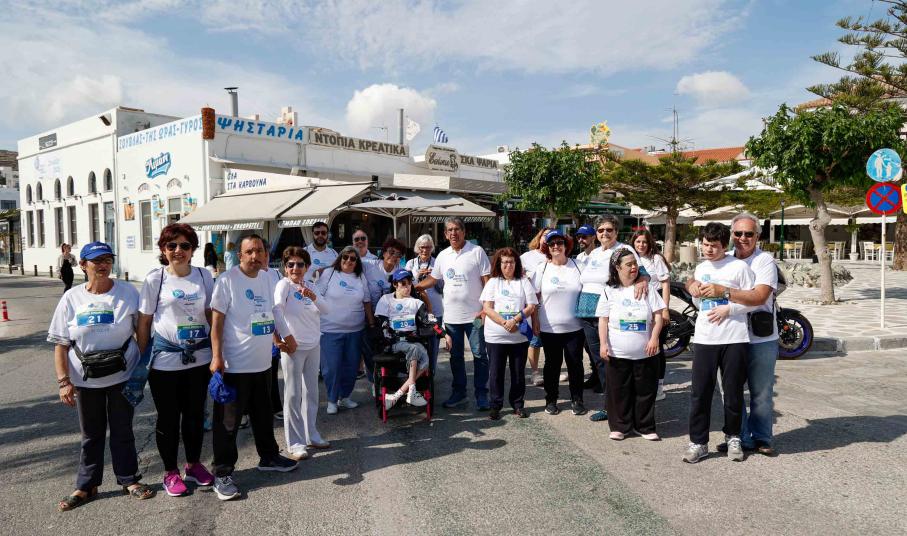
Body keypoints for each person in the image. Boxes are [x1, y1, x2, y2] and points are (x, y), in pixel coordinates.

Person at [48, 241, 154, 511]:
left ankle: (129, 480)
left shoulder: (128, 292)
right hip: (85, 379)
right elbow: (60, 344)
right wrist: (63, 381)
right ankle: (86, 485)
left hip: (123, 376)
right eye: (97, 261)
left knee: (122, 430)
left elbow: (142, 329)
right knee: (91, 434)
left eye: (107, 259)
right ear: (83, 265)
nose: (103, 265)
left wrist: (139, 364)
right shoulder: (71, 298)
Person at [209, 234, 299, 501]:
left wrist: (285, 336)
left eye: (259, 251)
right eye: (249, 251)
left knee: (263, 415)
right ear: (240, 255)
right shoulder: (227, 280)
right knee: (227, 424)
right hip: (234, 366)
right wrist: (216, 357)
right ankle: (222, 474)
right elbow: (217, 322)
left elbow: (275, 312)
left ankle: (268, 456)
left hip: (262, 364)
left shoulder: (269, 277)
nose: (255, 256)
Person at [136, 223, 215, 497]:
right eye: (172, 245)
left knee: (195, 416)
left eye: (185, 245)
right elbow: (144, 321)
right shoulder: (155, 279)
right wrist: (140, 360)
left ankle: (193, 465)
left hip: (200, 358)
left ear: (193, 249)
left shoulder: (204, 276)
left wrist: (219, 352)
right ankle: (170, 472)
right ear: (163, 249)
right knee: (168, 418)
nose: (178, 250)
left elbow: (211, 315)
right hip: (165, 362)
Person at [699, 212, 779, 457]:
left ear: (758, 236)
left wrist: (724, 292)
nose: (743, 238)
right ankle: (739, 436)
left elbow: (760, 296)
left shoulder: (764, 260)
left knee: (761, 391)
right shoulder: (723, 256)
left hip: (759, 337)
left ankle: (762, 437)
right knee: (730, 391)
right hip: (730, 335)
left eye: (749, 233)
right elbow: (698, 279)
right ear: (731, 235)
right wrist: (693, 286)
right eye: (738, 233)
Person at [682, 223, 755, 464]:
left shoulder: (739, 267)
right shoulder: (701, 268)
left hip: (734, 338)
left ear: (725, 245)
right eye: (705, 245)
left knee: (733, 392)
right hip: (705, 338)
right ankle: (698, 442)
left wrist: (729, 309)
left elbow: (754, 301)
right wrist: (694, 291)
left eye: (714, 245)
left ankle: (733, 437)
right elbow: (699, 302)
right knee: (700, 392)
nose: (708, 250)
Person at [577, 215, 650, 422]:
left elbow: (642, 273)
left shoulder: (624, 250)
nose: (605, 233)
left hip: (610, 312)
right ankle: (610, 405)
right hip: (587, 313)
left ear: (616, 231)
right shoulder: (594, 253)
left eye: (609, 229)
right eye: (601, 230)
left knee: (614, 362)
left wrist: (642, 281)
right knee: (600, 362)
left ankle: (622, 407)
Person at [416, 217, 492, 410]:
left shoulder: (477, 251)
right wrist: (415, 287)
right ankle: (459, 393)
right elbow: (434, 279)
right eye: (449, 230)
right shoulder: (443, 255)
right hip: (451, 318)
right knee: (456, 357)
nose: (453, 233)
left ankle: (482, 395)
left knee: (479, 355)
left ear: (464, 231)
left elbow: (487, 282)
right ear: (445, 234)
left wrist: (486, 309)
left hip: (475, 316)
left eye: (457, 229)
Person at [596, 248, 666, 441]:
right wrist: (603, 344)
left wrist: (654, 338)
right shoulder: (609, 291)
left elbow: (658, 316)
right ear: (617, 268)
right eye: (629, 264)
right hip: (617, 352)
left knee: (645, 391)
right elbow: (603, 320)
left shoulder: (647, 288)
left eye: (635, 263)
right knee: (618, 391)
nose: (634, 267)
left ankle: (645, 427)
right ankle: (620, 426)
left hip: (646, 352)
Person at [273, 247, 331, 460]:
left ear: (307, 267)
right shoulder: (283, 285)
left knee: (311, 393)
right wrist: (287, 338)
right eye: (291, 264)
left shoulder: (311, 285)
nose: (295, 268)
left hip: (313, 344)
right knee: (293, 394)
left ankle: (311, 435)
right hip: (294, 348)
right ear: (285, 267)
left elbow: (326, 310)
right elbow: (276, 310)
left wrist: (313, 296)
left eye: (300, 264)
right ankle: (295, 443)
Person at [531, 230, 587, 416]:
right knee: (552, 366)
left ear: (566, 245)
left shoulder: (578, 265)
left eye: (559, 242)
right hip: (549, 327)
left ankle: (577, 400)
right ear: (547, 247)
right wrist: (535, 321)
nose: (556, 246)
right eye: (552, 243)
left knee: (575, 364)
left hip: (575, 327)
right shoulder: (542, 268)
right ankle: (551, 400)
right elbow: (534, 298)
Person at [481, 247, 538, 420]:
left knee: (518, 373)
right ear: (499, 264)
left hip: (519, 336)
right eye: (504, 262)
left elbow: (531, 306)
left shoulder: (523, 281)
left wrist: (515, 320)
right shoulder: (493, 282)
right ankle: (495, 405)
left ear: (516, 263)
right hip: (495, 337)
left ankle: (518, 405)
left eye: (511, 262)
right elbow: (487, 308)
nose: (508, 266)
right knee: (496, 373)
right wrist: (504, 323)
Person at [317, 246, 375, 414]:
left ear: (357, 262)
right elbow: (317, 297)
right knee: (331, 368)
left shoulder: (360, 276)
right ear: (340, 258)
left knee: (351, 367)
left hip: (355, 331)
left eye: (353, 258)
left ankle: (345, 396)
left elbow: (366, 301)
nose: (348, 260)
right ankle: (332, 399)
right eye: (345, 257)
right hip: (329, 330)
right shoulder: (329, 273)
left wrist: (371, 324)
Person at [375, 269, 432, 410]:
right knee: (415, 348)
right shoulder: (386, 300)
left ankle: (397, 395)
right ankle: (411, 390)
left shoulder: (416, 302)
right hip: (395, 342)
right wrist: (390, 337)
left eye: (409, 283)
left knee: (425, 359)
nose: (407, 287)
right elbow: (382, 324)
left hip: (412, 341)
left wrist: (445, 334)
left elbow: (429, 321)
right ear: (395, 284)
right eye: (403, 283)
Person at [631, 230, 672, 401]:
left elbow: (665, 284)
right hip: (638, 308)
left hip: (656, 306)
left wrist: (665, 309)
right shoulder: (631, 258)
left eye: (644, 242)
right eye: (638, 241)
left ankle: (659, 386)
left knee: (657, 348)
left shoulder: (656, 259)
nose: (641, 245)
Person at [405, 234, 444, 371]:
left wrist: (434, 278)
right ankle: (416, 373)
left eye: (428, 247)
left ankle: (431, 373)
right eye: (422, 247)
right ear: (417, 248)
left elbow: (442, 288)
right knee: (416, 343)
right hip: (416, 310)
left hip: (435, 310)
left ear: (431, 248)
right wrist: (416, 276)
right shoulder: (410, 264)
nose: (425, 250)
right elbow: (405, 286)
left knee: (433, 343)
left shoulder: (437, 262)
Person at [520, 227, 551, 387]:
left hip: (552, 304)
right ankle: (535, 372)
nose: (547, 238)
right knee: (534, 339)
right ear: (539, 237)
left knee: (552, 340)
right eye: (545, 235)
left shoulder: (556, 255)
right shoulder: (527, 257)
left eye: (551, 236)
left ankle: (551, 370)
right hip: (533, 304)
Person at [574, 224, 601, 394]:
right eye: (579, 237)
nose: (581, 240)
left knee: (599, 346)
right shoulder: (579, 257)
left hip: (599, 305)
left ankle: (603, 378)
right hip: (584, 306)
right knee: (588, 346)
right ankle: (595, 374)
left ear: (593, 238)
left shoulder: (600, 255)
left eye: (584, 237)